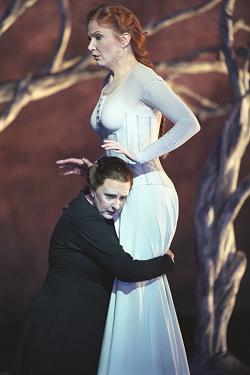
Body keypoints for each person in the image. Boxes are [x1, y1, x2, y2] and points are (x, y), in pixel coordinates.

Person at [56, 4, 201, 374]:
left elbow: (189, 122)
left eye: (97, 37)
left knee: (134, 287)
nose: (90, 45)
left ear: (123, 41)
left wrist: (142, 154)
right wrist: (93, 170)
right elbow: (119, 145)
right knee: (126, 286)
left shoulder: (143, 78)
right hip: (127, 191)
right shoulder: (111, 83)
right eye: (90, 36)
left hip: (149, 191)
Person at [12, 156, 175, 375]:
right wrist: (166, 261)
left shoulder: (93, 209)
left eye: (123, 198)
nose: (116, 205)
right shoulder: (84, 218)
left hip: (78, 322)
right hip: (62, 323)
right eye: (110, 196)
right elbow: (126, 269)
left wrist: (91, 170)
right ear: (93, 188)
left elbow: (107, 189)